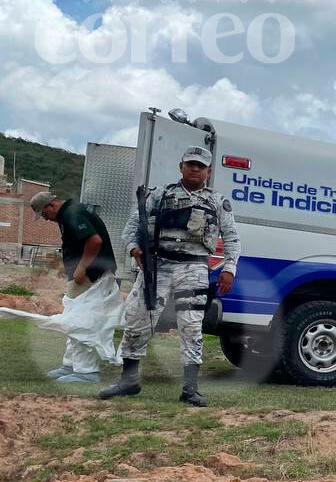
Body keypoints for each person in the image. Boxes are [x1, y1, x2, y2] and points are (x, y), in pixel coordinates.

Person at [100, 146, 240, 407]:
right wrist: (134, 250)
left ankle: (190, 388)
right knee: (138, 319)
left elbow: (232, 237)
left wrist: (229, 269)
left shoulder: (217, 201)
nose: (195, 169)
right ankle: (129, 380)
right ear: (181, 167)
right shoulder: (160, 195)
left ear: (208, 171)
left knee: (191, 326)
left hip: (195, 268)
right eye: (190, 164)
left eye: (200, 165)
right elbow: (132, 226)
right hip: (158, 265)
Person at [30, 191, 118, 383]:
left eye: (44, 215)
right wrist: (70, 268)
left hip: (92, 276)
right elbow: (78, 244)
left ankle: (86, 372)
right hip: (86, 276)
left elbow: (95, 241)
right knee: (72, 317)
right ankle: (70, 365)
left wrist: (81, 268)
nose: (45, 220)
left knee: (80, 321)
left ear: (51, 205)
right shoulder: (68, 214)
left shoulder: (72, 214)